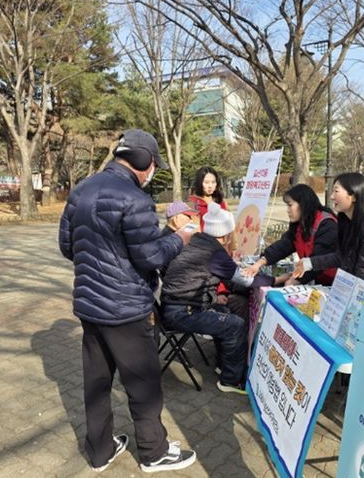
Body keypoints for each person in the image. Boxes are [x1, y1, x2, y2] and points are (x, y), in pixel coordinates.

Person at [59, 128, 197, 474]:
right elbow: (152, 257)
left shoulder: (80, 191)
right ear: (143, 160)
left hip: (90, 307)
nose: (152, 172)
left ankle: (100, 450)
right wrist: (180, 237)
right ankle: (154, 452)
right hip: (127, 309)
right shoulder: (136, 199)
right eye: (153, 165)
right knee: (143, 384)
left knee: (96, 382)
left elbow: (67, 247)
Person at [160, 201, 273, 394]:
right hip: (182, 312)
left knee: (227, 311)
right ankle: (230, 380)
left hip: (177, 305)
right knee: (235, 325)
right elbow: (244, 280)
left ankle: (223, 364)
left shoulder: (197, 241)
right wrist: (276, 279)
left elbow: (225, 277)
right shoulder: (214, 252)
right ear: (227, 235)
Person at [244, 184, 338, 286]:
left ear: (303, 205)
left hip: (333, 282)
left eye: (290, 205)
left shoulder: (327, 224)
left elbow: (319, 260)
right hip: (314, 279)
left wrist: (297, 280)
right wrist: (259, 263)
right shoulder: (300, 224)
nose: (287, 210)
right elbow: (283, 246)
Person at [293, 172, 364, 281]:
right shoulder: (345, 219)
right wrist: (309, 263)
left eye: (336, 191)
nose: (332, 196)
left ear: (353, 196)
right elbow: (340, 256)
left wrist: (354, 289)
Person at [189, 166, 227, 231]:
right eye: (206, 182)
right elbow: (190, 229)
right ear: (200, 183)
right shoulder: (193, 203)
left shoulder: (221, 202)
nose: (210, 186)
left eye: (213, 182)